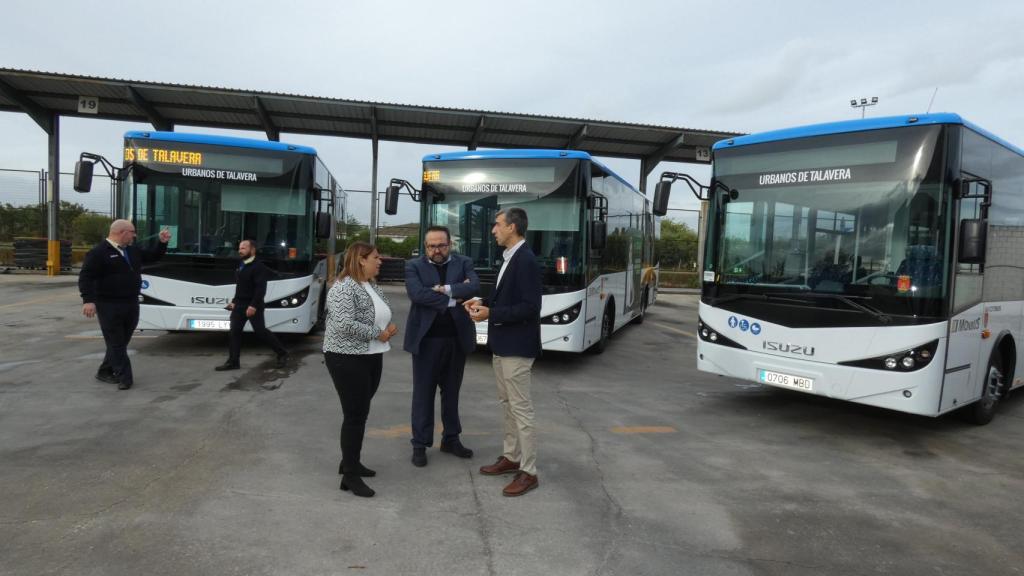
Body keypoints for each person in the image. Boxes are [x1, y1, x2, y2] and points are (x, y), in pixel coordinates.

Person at [465, 208, 542, 497]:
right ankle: (511, 457)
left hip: (518, 347)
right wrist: (481, 301)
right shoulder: (510, 257)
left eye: (497, 225)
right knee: (507, 404)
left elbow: (531, 308)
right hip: (503, 344)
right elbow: (504, 297)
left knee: (521, 408)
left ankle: (529, 471)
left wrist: (491, 313)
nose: (493, 230)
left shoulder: (526, 261)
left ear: (512, 227)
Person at [322, 242, 398, 498]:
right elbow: (344, 324)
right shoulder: (343, 288)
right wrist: (380, 333)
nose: (381, 261)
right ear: (360, 260)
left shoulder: (370, 285)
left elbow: (377, 314)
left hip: (371, 355)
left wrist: (386, 329)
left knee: (360, 412)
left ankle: (349, 462)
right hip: (346, 357)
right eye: (376, 257)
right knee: (355, 415)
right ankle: (350, 476)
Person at [404, 226, 480, 467]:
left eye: (441, 245)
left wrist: (445, 289)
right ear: (425, 247)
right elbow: (417, 295)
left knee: (452, 393)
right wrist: (455, 297)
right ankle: (420, 443)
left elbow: (475, 286)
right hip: (426, 341)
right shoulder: (413, 266)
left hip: (456, 340)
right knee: (423, 394)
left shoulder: (464, 262)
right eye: (432, 246)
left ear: (450, 244)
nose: (437, 250)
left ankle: (451, 438)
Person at [79, 220, 170, 390]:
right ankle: (125, 378)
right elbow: (86, 277)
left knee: (121, 340)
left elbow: (152, 256)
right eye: (132, 232)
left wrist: (162, 243)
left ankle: (105, 370)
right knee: (116, 342)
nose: (135, 235)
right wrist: (88, 300)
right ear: (122, 232)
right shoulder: (98, 252)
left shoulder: (131, 250)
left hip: (130, 302)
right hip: (108, 304)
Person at [215, 239, 289, 371]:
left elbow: (260, 289)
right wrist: (234, 301)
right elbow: (240, 287)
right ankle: (233, 362)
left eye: (243, 248)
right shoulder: (241, 264)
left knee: (261, 332)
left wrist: (253, 305)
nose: (240, 250)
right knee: (234, 332)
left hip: (253, 305)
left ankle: (282, 353)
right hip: (239, 305)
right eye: (239, 248)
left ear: (252, 250)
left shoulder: (258, 267)